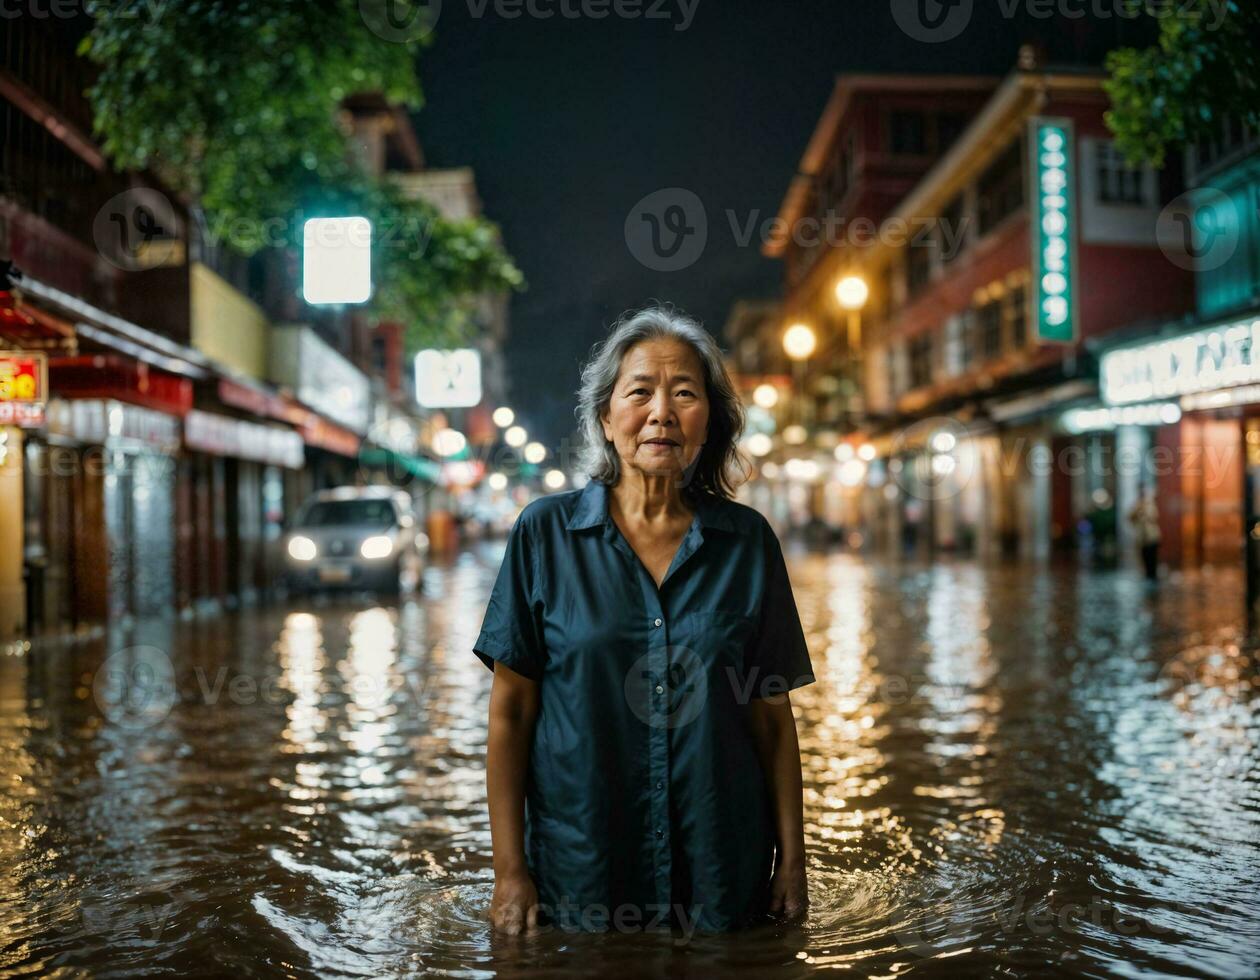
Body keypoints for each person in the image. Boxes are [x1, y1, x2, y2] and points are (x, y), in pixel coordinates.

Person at [473, 305, 815, 937]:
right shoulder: (544, 535)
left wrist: (793, 862)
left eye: (685, 393)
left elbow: (771, 718)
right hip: (582, 875)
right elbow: (510, 715)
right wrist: (509, 870)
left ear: (708, 421)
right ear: (606, 417)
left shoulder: (748, 542)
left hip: (722, 874)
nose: (661, 412)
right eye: (640, 393)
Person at [1128, 486, 1161, 582]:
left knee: (1152, 557)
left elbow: (1153, 517)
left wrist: (1144, 509)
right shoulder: (1136, 505)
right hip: (1142, 538)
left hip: (1151, 536)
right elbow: (1130, 518)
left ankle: (1153, 575)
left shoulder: (1150, 505)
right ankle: (1147, 574)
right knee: (1144, 557)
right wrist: (1137, 509)